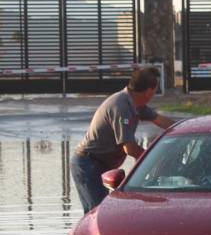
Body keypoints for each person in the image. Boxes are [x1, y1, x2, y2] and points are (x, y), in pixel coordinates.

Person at [71, 67, 174, 212]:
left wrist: (186, 127)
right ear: (148, 91)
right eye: (155, 90)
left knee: (105, 212)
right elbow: (130, 148)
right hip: (88, 164)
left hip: (102, 164)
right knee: (97, 214)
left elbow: (158, 119)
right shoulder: (121, 106)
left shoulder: (136, 105)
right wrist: (152, 161)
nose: (154, 94)